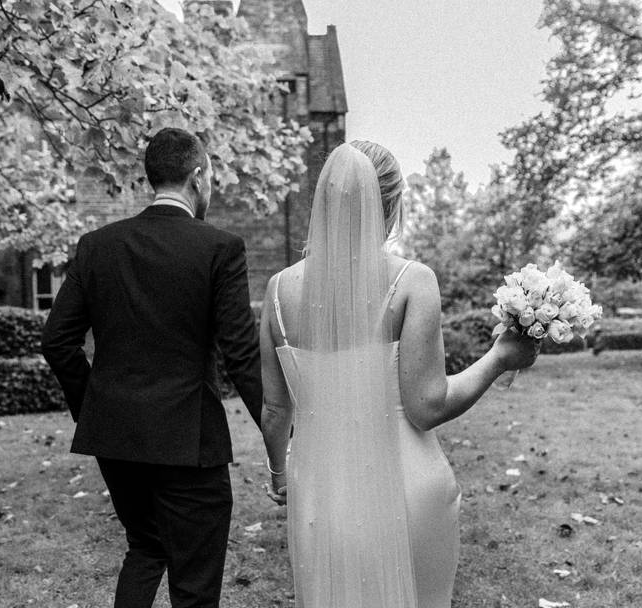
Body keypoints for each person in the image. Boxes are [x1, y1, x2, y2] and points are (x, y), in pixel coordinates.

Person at [259, 141, 538, 608]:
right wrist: (499, 358)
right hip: (407, 490)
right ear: (390, 205)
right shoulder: (412, 280)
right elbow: (427, 406)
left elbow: (273, 409)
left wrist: (279, 474)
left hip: (319, 497)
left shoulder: (277, 289)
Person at [41, 127, 263, 608]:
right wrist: (279, 429)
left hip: (115, 437)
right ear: (198, 177)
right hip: (189, 443)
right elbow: (241, 354)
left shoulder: (97, 245)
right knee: (195, 586)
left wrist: (93, 407)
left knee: (145, 547)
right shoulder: (220, 248)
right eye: (212, 177)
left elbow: (56, 341)